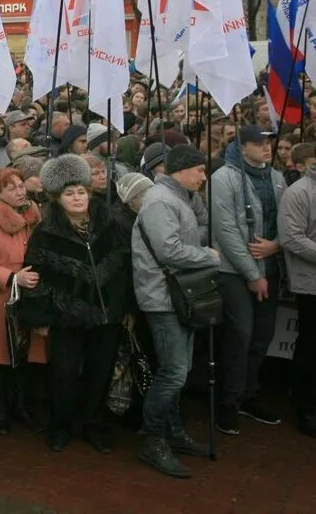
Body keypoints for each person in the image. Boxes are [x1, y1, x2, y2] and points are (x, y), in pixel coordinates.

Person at [20, 154, 131, 455]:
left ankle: (94, 425)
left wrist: (122, 308)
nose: (77, 197)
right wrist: (42, 316)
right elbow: (35, 276)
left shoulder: (111, 224)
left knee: (100, 373)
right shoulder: (46, 233)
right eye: (69, 193)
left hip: (106, 316)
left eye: (81, 191)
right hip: (65, 316)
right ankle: (61, 427)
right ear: (57, 198)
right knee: (64, 374)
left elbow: (124, 268)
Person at [132, 145, 219, 478]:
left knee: (179, 371)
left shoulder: (181, 197)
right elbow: (169, 250)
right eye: (199, 171)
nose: (203, 177)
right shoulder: (160, 201)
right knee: (174, 373)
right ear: (182, 169)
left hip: (181, 296)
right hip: (163, 298)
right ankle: (152, 440)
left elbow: (194, 231)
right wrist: (208, 256)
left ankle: (174, 431)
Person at [209, 126, 286, 433]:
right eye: (258, 143)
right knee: (239, 336)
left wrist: (276, 245)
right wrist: (253, 274)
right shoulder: (223, 178)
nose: (266, 147)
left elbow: (286, 221)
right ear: (242, 148)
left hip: (271, 265)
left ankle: (248, 395)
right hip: (233, 270)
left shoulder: (276, 178)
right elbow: (225, 230)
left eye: (268, 142)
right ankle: (227, 402)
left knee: (261, 337)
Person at [0, 167, 45, 434]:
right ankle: (0, 410)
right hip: (1, 298)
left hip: (30, 296)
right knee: (1, 361)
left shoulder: (33, 216)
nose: (19, 192)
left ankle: (21, 406)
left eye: (21, 186)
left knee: (25, 357)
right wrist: (13, 277)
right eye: (11, 188)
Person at [278, 150, 316, 438]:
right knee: (311, 346)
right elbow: (292, 237)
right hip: (310, 283)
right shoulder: (299, 192)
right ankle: (306, 407)